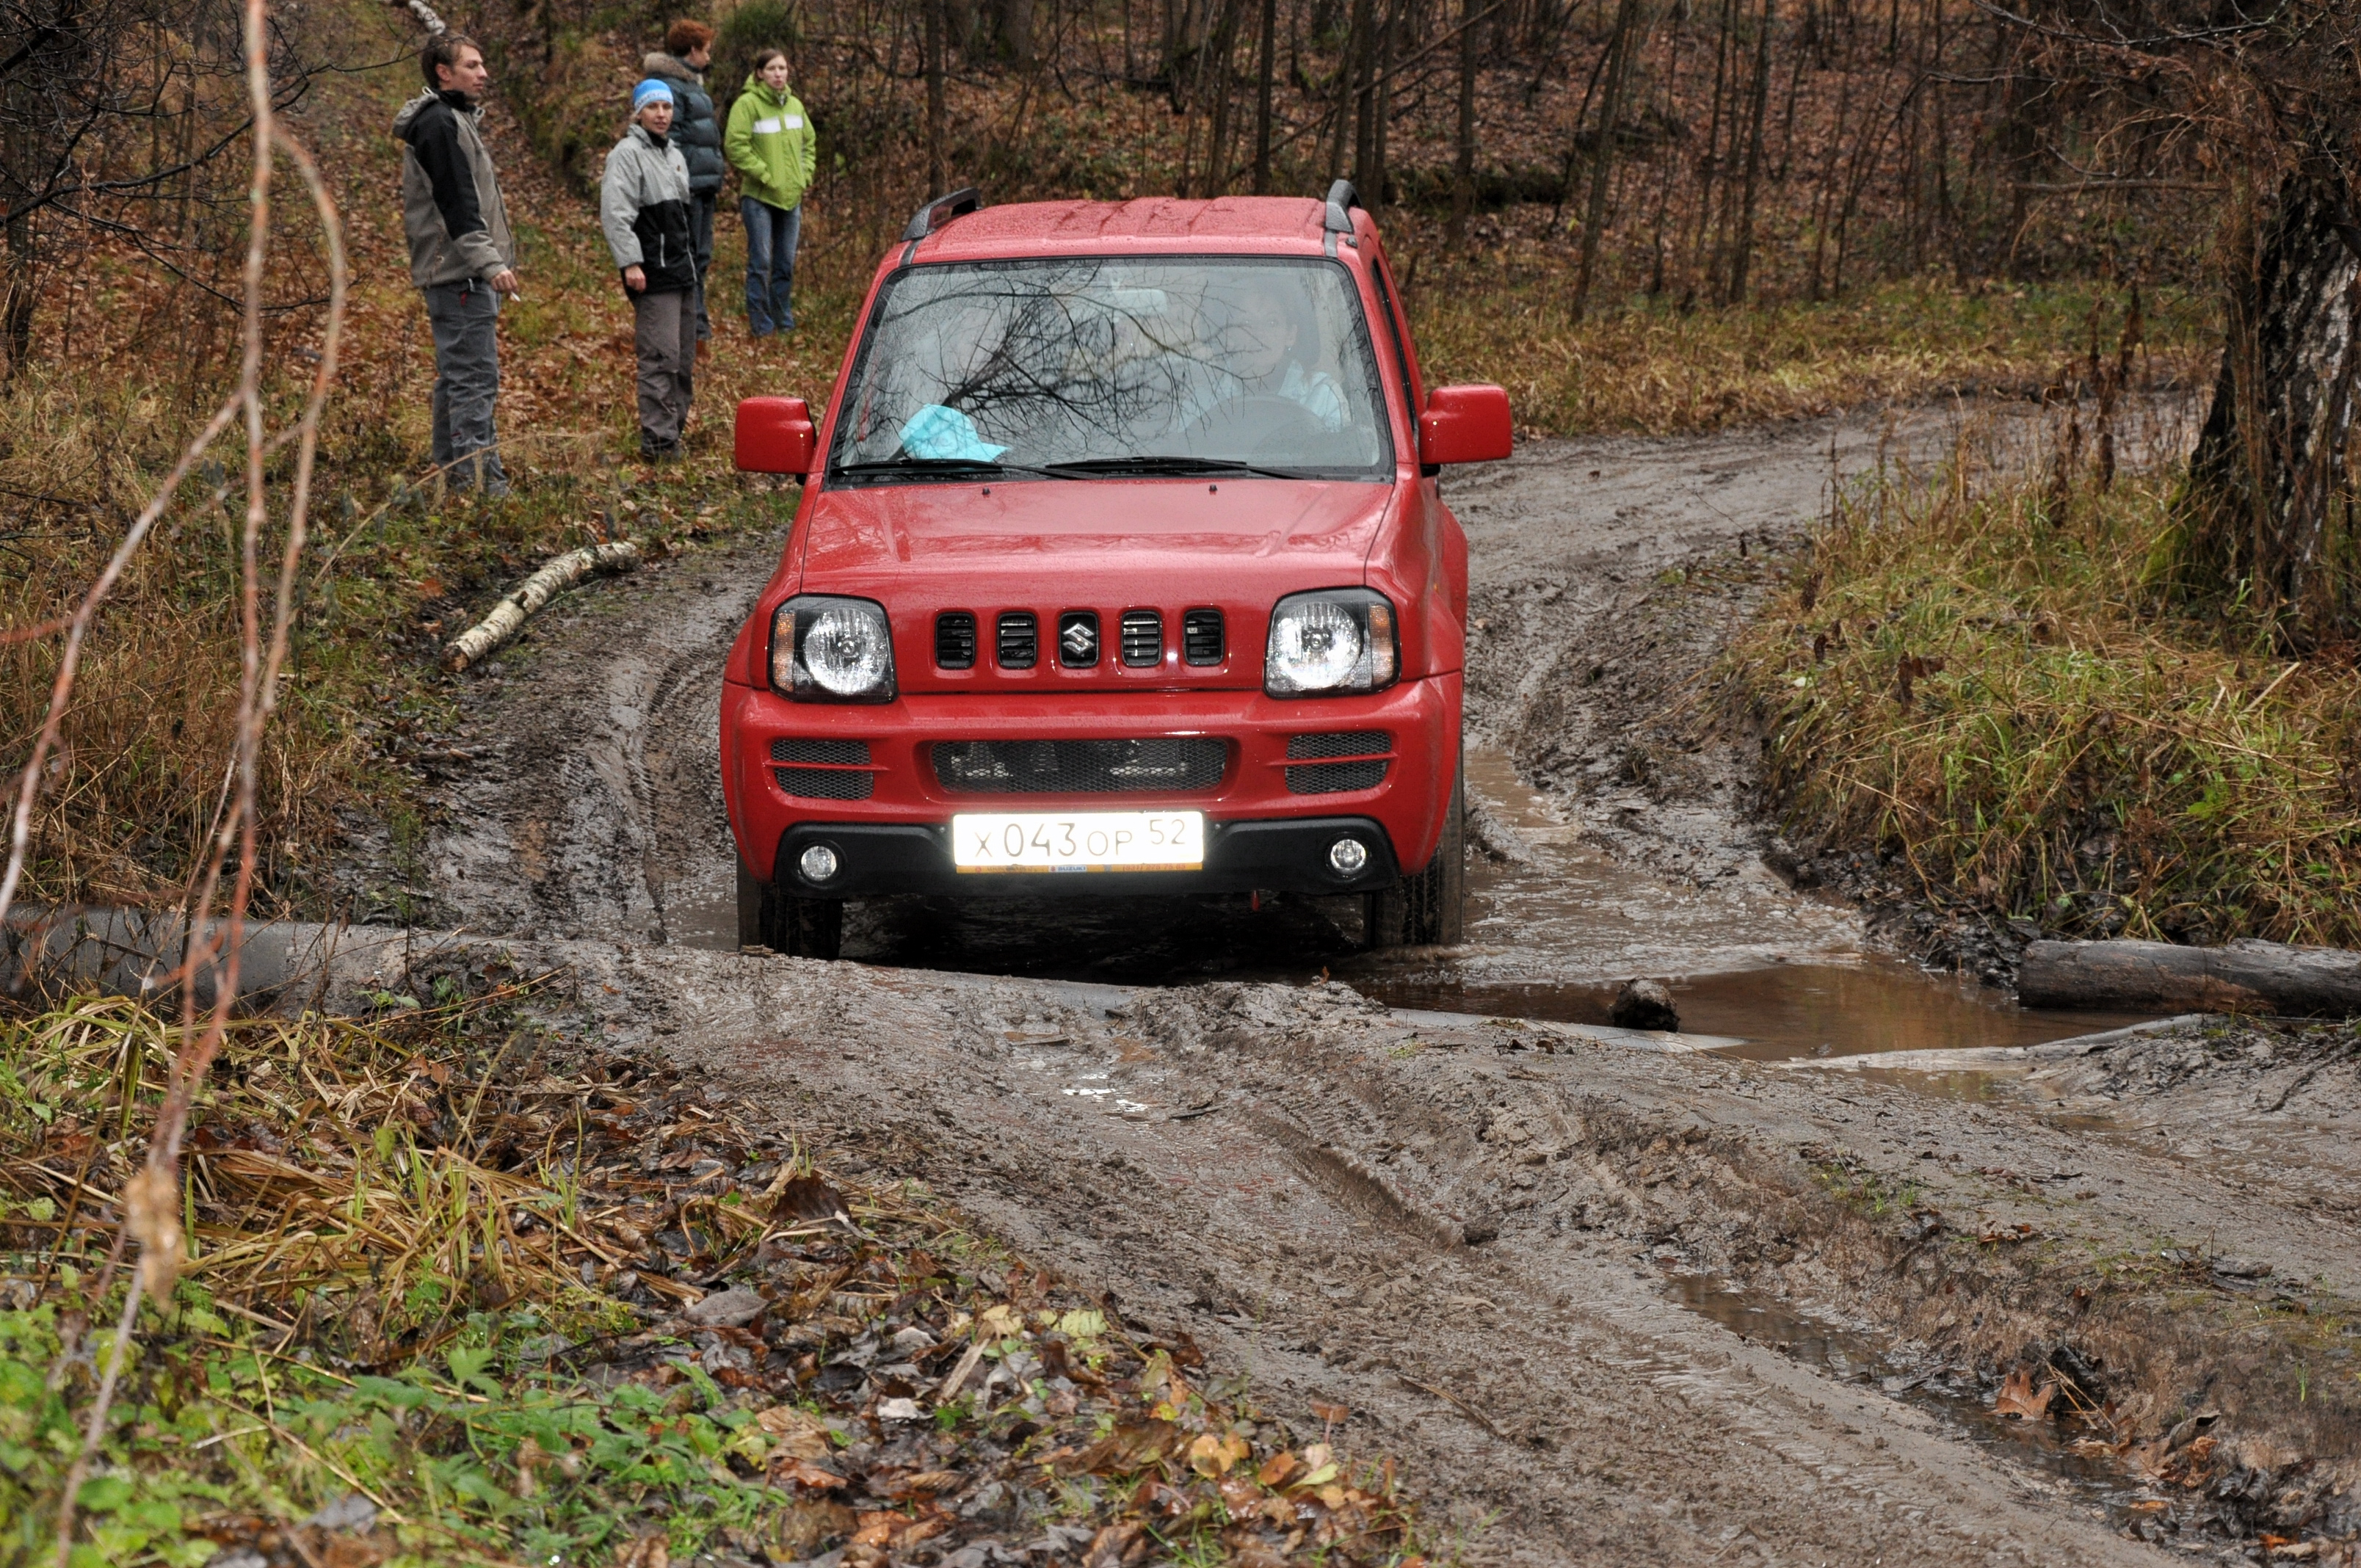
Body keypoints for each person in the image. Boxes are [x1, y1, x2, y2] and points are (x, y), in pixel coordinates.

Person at [393, 32, 519, 495]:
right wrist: (490, 263)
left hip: (460, 272)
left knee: (459, 378)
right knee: (474, 380)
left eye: (482, 65)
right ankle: (478, 485)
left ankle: (456, 478)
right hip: (459, 274)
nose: (483, 73)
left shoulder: (454, 120)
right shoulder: (440, 125)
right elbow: (457, 203)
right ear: (443, 73)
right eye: (472, 65)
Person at [601, 79, 700, 459]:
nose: (661, 114)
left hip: (683, 271)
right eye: (653, 107)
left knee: (684, 361)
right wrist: (630, 262)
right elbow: (616, 213)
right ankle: (659, 443)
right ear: (638, 112)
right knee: (660, 358)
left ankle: (674, 433)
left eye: (667, 107)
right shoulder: (626, 155)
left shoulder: (674, 153)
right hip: (653, 274)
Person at [640, 21, 725, 343]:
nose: (709, 57)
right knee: (689, 256)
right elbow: (669, 140)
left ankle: (696, 322)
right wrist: (679, 182)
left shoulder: (692, 84)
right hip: (687, 189)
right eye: (706, 50)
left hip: (703, 186)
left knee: (701, 256)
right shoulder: (671, 88)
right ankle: (692, 325)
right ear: (693, 50)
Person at [723, 48, 815, 338]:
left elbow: (809, 145)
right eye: (772, 69)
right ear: (760, 73)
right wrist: (764, 174)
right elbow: (735, 146)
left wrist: (804, 176)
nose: (778, 74)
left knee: (785, 263)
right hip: (759, 197)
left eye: (782, 68)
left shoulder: (795, 106)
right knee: (761, 262)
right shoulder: (747, 105)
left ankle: (783, 319)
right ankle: (761, 324)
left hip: (791, 197)